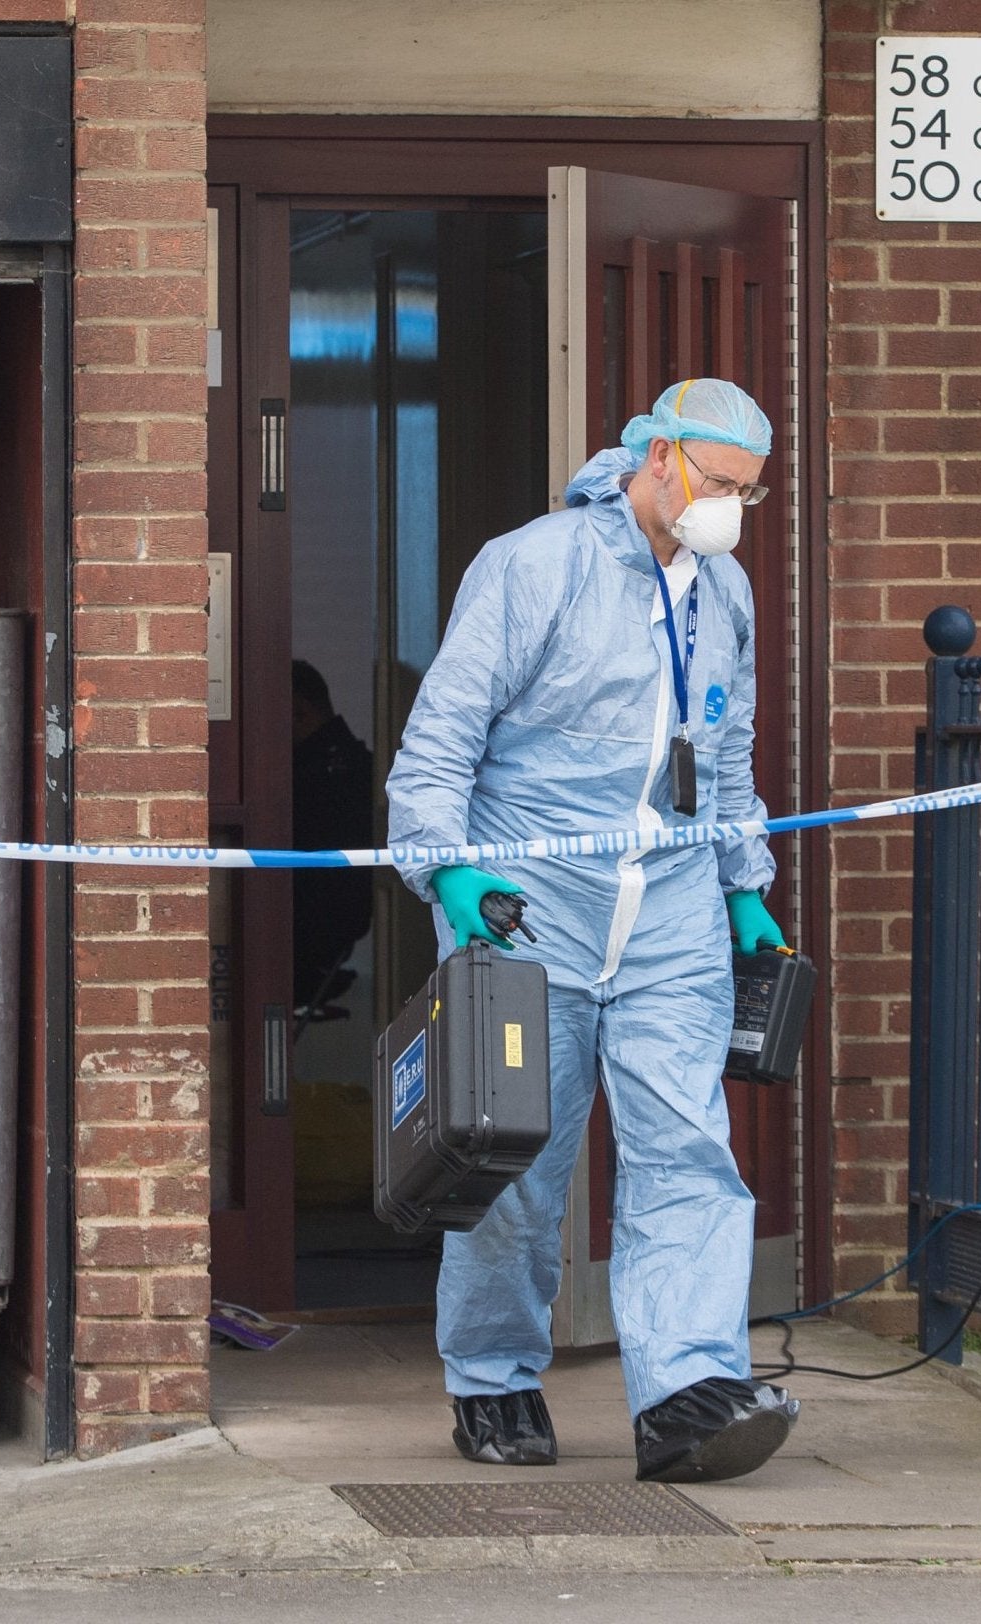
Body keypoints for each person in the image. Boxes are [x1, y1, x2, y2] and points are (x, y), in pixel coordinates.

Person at [385, 377, 799, 1485]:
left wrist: (739, 882)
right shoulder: (535, 566)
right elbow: (441, 736)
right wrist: (446, 869)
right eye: (717, 483)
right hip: (527, 906)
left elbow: (724, 753)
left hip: (669, 913)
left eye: (747, 494)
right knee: (512, 1158)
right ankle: (492, 1376)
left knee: (686, 1150)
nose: (728, 509)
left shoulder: (724, 591)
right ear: (657, 457)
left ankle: (687, 1393)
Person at [289, 659, 374, 1010]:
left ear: (298, 711)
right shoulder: (360, 763)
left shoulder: (314, 777)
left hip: (309, 937)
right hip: (331, 936)